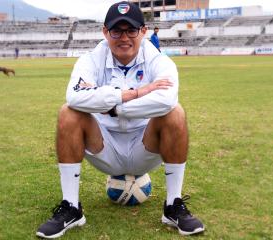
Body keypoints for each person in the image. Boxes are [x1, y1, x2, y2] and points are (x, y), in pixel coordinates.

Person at [36, 1, 204, 238]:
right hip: (104, 147)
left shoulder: (158, 60)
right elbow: (74, 96)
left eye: (131, 30)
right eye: (116, 31)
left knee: (175, 112)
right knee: (68, 112)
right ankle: (72, 207)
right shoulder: (91, 58)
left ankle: (173, 205)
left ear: (143, 31)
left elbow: (166, 100)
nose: (124, 37)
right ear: (105, 32)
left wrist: (114, 109)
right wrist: (132, 94)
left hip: (145, 147)